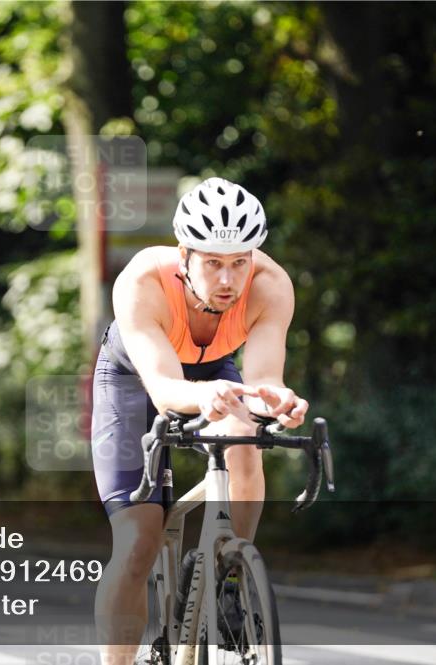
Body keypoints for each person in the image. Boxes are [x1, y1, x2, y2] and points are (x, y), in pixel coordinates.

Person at [91, 177, 309, 664]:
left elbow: (263, 380)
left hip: (213, 372)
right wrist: (204, 395)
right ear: (184, 255)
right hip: (136, 379)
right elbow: (165, 391)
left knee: (246, 436)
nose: (229, 280)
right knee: (137, 542)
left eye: (239, 262)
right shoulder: (142, 282)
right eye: (213, 263)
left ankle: (230, 571)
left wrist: (278, 402)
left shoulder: (270, 286)